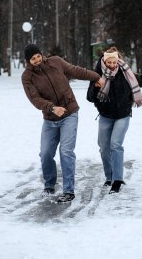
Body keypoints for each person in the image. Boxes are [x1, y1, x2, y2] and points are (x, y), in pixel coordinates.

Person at [21, 44, 105, 203]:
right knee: (45, 154)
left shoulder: (56, 62)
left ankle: (68, 190)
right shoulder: (27, 77)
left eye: (38, 56)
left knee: (66, 151)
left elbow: (76, 71)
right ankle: (49, 185)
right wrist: (51, 108)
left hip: (69, 114)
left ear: (41, 54)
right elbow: (35, 99)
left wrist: (96, 76)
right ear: (28, 61)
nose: (37, 60)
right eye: (33, 59)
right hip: (50, 119)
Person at [87, 46, 142, 194]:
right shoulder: (98, 75)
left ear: (118, 60)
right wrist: (95, 86)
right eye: (109, 63)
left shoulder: (127, 73)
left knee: (115, 145)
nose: (112, 65)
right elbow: (90, 97)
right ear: (104, 61)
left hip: (123, 116)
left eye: (114, 62)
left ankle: (117, 180)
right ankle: (110, 177)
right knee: (104, 148)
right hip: (105, 116)